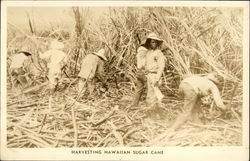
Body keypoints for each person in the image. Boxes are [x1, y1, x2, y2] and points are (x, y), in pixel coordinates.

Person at [144, 33, 166, 118]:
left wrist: (157, 78)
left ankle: (155, 115)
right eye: (151, 42)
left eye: (154, 42)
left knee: (154, 96)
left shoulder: (159, 53)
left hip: (155, 76)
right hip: (149, 75)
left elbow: (161, 66)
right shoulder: (149, 53)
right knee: (150, 95)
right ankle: (156, 114)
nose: (152, 43)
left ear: (157, 43)